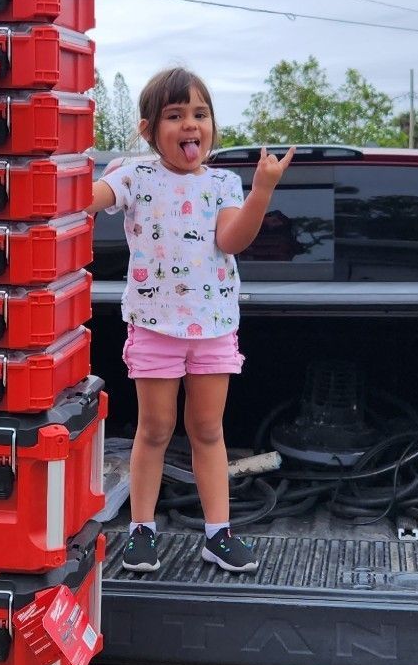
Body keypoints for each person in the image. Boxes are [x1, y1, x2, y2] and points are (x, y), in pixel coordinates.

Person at [90, 66, 292, 574]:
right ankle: (141, 529)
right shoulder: (133, 175)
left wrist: (262, 191)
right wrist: (64, 164)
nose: (190, 126)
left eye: (199, 114)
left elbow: (232, 240)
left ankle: (217, 533)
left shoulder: (223, 182)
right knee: (154, 431)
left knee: (207, 430)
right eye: (175, 115)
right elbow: (90, 200)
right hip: (154, 328)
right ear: (147, 129)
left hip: (214, 328)